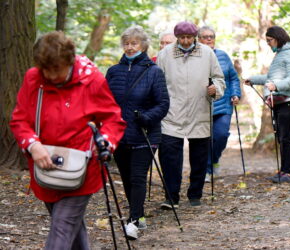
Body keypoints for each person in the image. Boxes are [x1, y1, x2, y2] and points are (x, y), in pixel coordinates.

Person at [10, 31, 126, 249]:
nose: (51, 76)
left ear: (69, 61)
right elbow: (19, 120)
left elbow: (113, 119)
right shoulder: (34, 78)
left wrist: (105, 142)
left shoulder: (91, 80)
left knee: (62, 227)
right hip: (46, 168)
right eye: (46, 70)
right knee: (70, 228)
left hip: (82, 169)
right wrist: (33, 145)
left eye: (56, 69)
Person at [106, 25, 169, 239]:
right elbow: (105, 102)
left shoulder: (154, 72)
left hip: (145, 133)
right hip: (120, 135)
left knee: (138, 177)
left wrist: (146, 117)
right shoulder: (114, 71)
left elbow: (163, 104)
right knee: (125, 177)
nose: (130, 47)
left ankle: (132, 222)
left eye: (134, 43)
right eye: (126, 43)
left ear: (143, 45)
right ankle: (139, 214)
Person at [157, 21, 225, 208]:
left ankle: (195, 194)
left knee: (199, 157)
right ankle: (171, 197)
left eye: (189, 37)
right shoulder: (165, 54)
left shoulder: (207, 53)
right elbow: (157, 81)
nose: (186, 41)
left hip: (200, 109)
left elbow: (219, 78)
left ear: (195, 36)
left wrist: (215, 89)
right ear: (177, 37)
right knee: (170, 158)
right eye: (182, 38)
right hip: (172, 113)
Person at [245, 25, 290, 183]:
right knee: (281, 137)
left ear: (277, 38)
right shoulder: (280, 55)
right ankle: (283, 171)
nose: (268, 44)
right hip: (279, 102)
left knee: (287, 138)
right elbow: (271, 78)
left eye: (269, 40)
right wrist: (254, 80)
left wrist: (277, 86)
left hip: (289, 102)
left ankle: (288, 173)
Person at [198, 26, 241, 182]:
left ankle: (214, 160)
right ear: (198, 40)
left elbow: (233, 78)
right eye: (205, 36)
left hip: (223, 105)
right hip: (202, 105)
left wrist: (236, 93)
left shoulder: (223, 56)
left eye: (212, 36)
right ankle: (207, 170)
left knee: (221, 135)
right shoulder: (195, 58)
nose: (209, 39)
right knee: (204, 140)